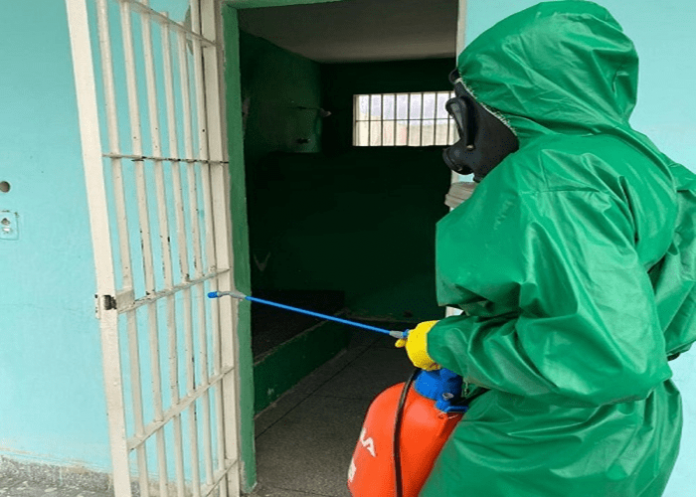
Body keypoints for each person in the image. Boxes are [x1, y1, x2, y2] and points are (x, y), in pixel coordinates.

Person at [396, 2, 696, 495]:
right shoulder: (657, 171)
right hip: (637, 431)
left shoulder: (552, 176)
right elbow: (668, 321)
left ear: (504, 99)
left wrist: (445, 342)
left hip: (545, 442)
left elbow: (601, 355)